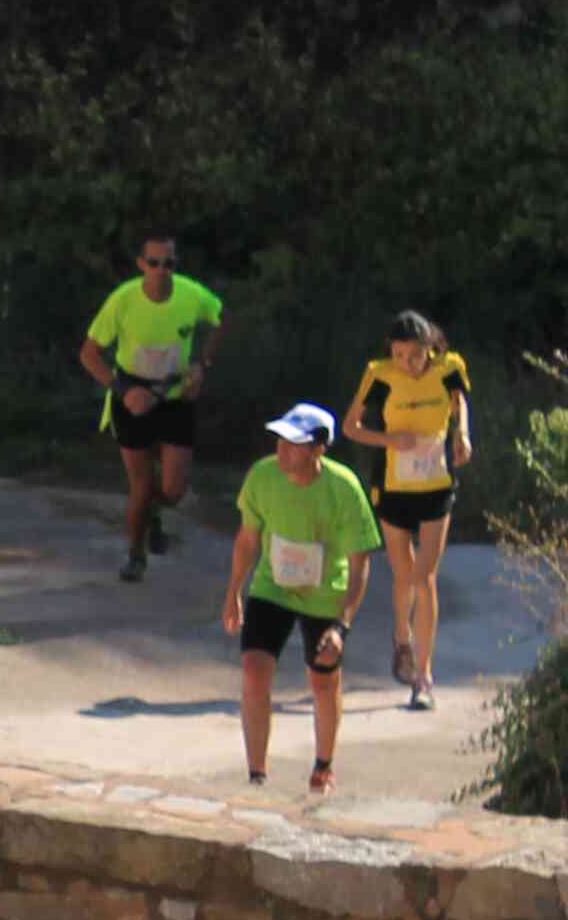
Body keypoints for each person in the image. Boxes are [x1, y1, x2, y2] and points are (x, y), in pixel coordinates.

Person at [222, 404, 380, 799]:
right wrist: (233, 593)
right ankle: (256, 776)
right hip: (272, 587)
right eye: (280, 440)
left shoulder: (344, 488)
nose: (282, 449)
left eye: (294, 443)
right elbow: (247, 539)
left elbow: (360, 561)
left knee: (323, 678)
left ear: (318, 449)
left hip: (325, 593)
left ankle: (323, 766)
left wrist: (342, 625)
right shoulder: (262, 476)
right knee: (254, 670)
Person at [341, 310, 473, 713]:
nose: (406, 364)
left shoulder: (450, 368)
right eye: (398, 355)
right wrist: (388, 439)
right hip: (393, 488)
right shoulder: (378, 374)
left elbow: (459, 402)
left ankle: (423, 676)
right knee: (404, 576)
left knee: (424, 578)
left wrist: (462, 433)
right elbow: (350, 427)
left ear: (430, 348)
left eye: (414, 356)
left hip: (436, 485)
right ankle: (402, 637)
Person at [79, 234, 224, 582]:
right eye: (154, 263)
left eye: (168, 263)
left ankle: (152, 513)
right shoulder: (123, 299)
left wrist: (202, 365)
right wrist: (123, 391)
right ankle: (135, 555)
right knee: (141, 487)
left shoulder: (191, 294)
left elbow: (220, 320)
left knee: (174, 490)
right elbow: (89, 354)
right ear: (141, 264)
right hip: (133, 396)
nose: (161, 270)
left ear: (176, 265)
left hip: (175, 396)